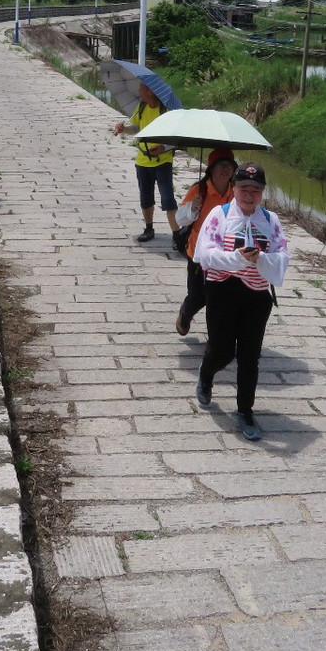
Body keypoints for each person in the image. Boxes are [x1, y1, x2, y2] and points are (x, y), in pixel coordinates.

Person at [193, 162, 289, 441]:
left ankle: (245, 411)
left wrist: (262, 259)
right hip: (222, 291)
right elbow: (205, 253)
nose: (249, 196)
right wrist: (236, 258)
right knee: (223, 350)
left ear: (262, 193)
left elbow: (283, 256)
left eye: (255, 191)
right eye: (244, 189)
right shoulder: (219, 215)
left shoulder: (270, 220)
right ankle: (207, 372)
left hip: (257, 296)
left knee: (250, 357)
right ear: (234, 189)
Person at [174, 147, 236, 336]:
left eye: (229, 166)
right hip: (198, 253)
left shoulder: (236, 192)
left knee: (220, 297)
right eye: (221, 165)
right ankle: (185, 313)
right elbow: (180, 219)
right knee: (198, 297)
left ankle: (216, 338)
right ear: (211, 168)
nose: (225, 169)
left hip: (224, 253)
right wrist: (192, 207)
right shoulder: (199, 190)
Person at [112, 82, 178, 244]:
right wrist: (124, 129)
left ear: (150, 91)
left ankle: (177, 235)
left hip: (163, 162)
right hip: (143, 161)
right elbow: (137, 128)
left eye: (141, 88)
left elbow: (177, 137)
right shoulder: (142, 107)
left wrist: (164, 148)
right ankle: (149, 228)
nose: (139, 91)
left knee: (168, 199)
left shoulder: (165, 112)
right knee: (145, 197)